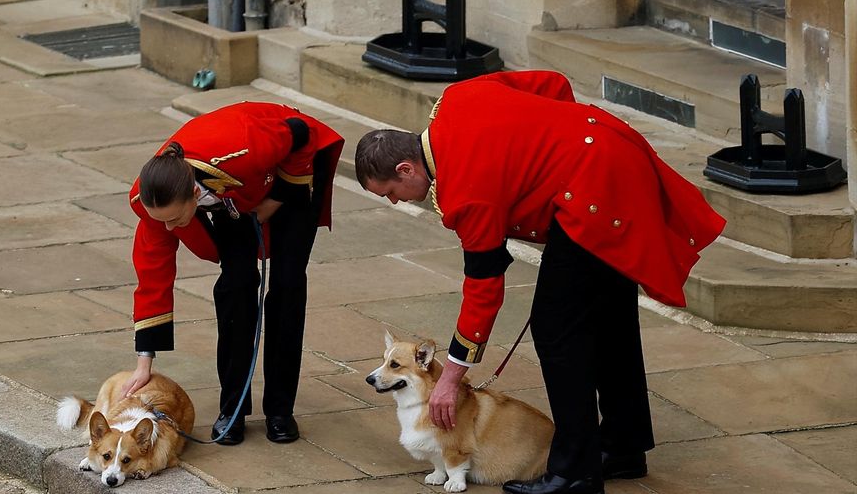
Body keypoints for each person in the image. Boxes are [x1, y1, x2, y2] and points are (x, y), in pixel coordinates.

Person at [354, 71, 725, 494]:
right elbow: (552, 85)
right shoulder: (456, 98)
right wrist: (556, 144)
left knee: (556, 331)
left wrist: (450, 379)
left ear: (406, 167)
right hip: (611, 149)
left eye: (391, 191)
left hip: (593, 193)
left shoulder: (465, 194)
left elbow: (483, 291)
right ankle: (623, 445)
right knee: (608, 316)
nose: (395, 201)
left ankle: (575, 471)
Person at [122, 101, 344, 446]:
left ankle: (280, 410)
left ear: (194, 194)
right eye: (160, 219)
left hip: (290, 174)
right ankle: (233, 409)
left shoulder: (245, 146)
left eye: (173, 218)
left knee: (287, 284)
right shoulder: (154, 200)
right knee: (235, 286)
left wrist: (275, 200)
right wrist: (144, 363)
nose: (166, 227)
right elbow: (152, 278)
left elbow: (302, 135)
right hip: (234, 197)